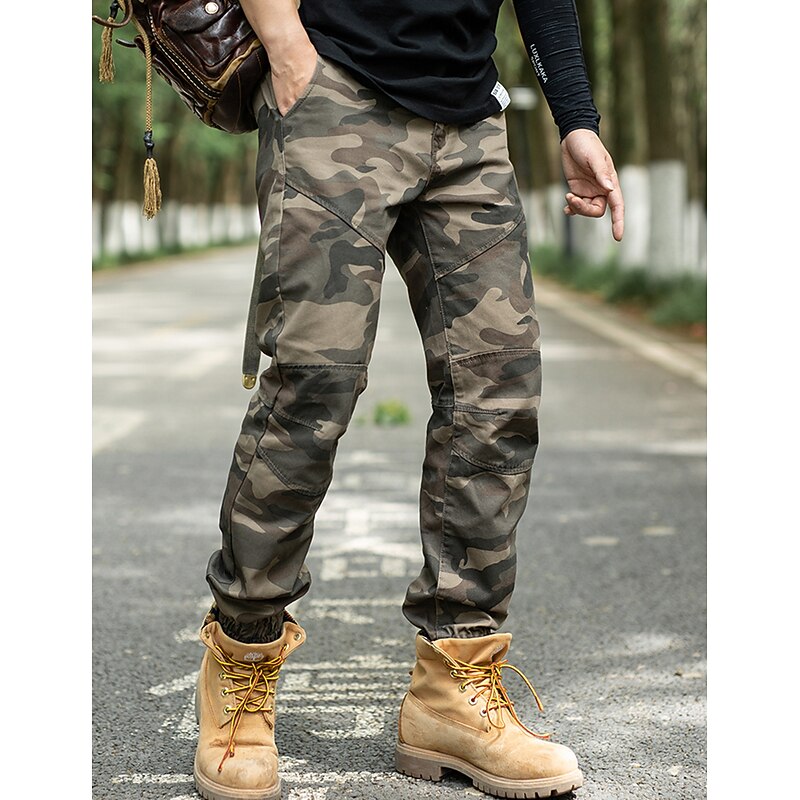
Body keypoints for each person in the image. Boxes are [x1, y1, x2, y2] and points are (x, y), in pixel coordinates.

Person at [193, 1, 625, 799]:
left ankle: (453, 685)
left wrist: (576, 119)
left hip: (468, 118)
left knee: (498, 391)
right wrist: (285, 46)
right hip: (332, 88)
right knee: (313, 384)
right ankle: (242, 658)